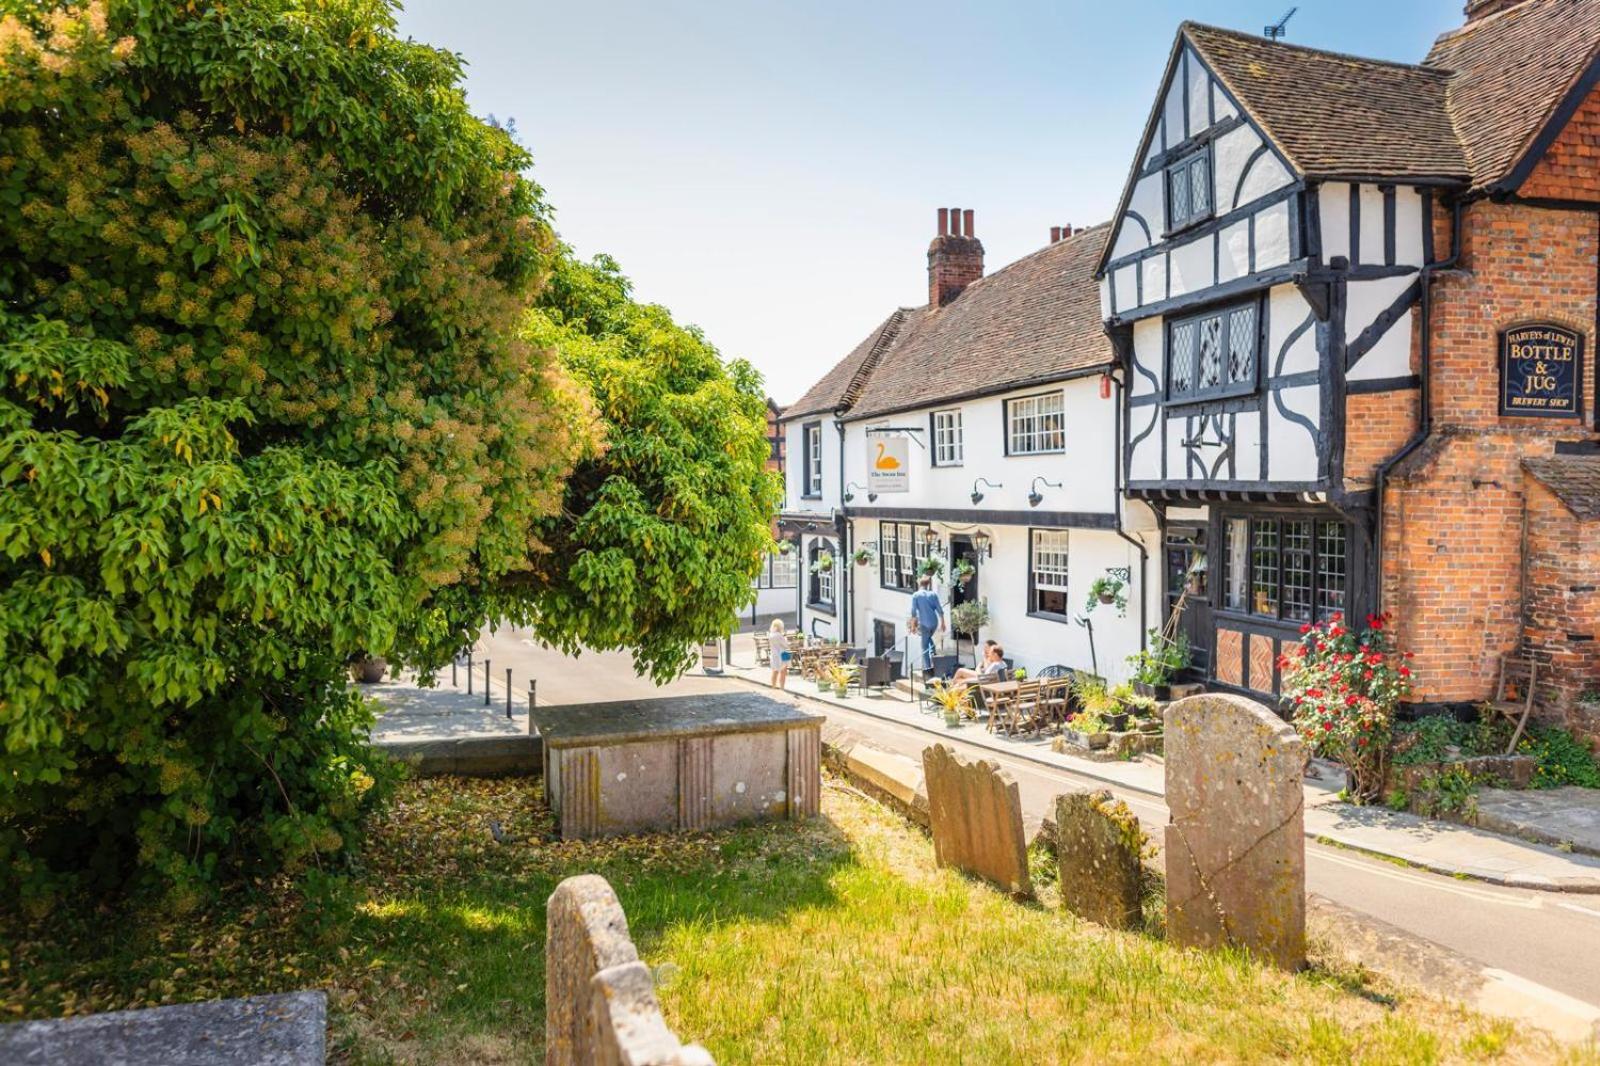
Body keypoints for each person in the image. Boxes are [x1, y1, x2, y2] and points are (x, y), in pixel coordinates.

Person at [908, 574, 945, 671]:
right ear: (928, 584)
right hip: (934, 622)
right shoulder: (933, 594)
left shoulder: (916, 595)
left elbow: (913, 612)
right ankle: (933, 653)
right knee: (928, 638)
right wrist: (943, 623)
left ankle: (928, 668)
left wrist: (913, 626)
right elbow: (939, 610)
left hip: (924, 623)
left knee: (924, 646)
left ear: (919, 584)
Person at [768, 619, 792, 691]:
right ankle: (782, 688)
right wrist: (786, 639)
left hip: (774, 655)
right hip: (783, 654)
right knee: (783, 672)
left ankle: (773, 687)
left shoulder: (771, 635)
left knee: (774, 671)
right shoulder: (779, 635)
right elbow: (786, 645)